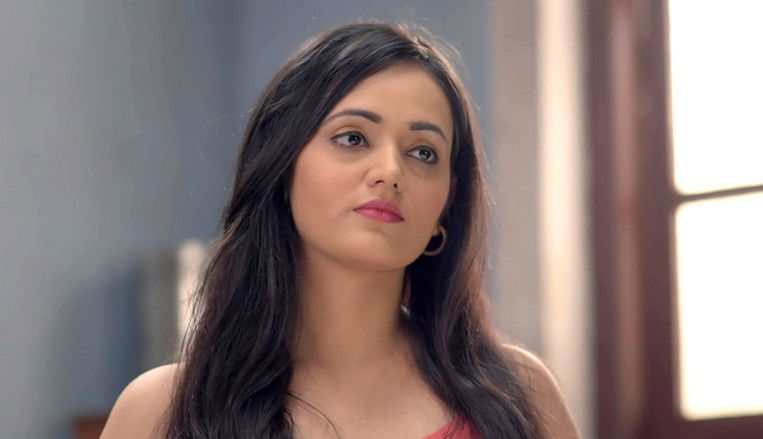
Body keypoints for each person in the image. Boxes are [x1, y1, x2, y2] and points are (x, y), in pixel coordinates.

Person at [100, 22, 579, 439]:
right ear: (282, 166)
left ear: (447, 202)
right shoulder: (161, 411)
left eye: (423, 152)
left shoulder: (518, 396)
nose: (390, 171)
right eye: (353, 138)